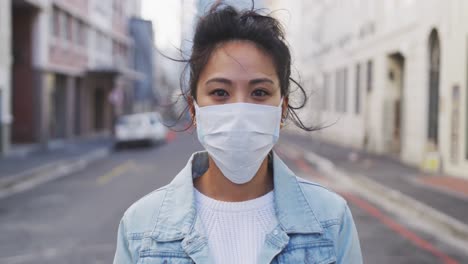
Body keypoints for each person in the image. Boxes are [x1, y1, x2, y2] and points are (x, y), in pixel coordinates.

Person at [113, 3, 362, 264]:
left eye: (260, 93)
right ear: (194, 109)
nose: (240, 111)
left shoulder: (332, 220)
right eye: (220, 92)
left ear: (282, 109)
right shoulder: (139, 228)